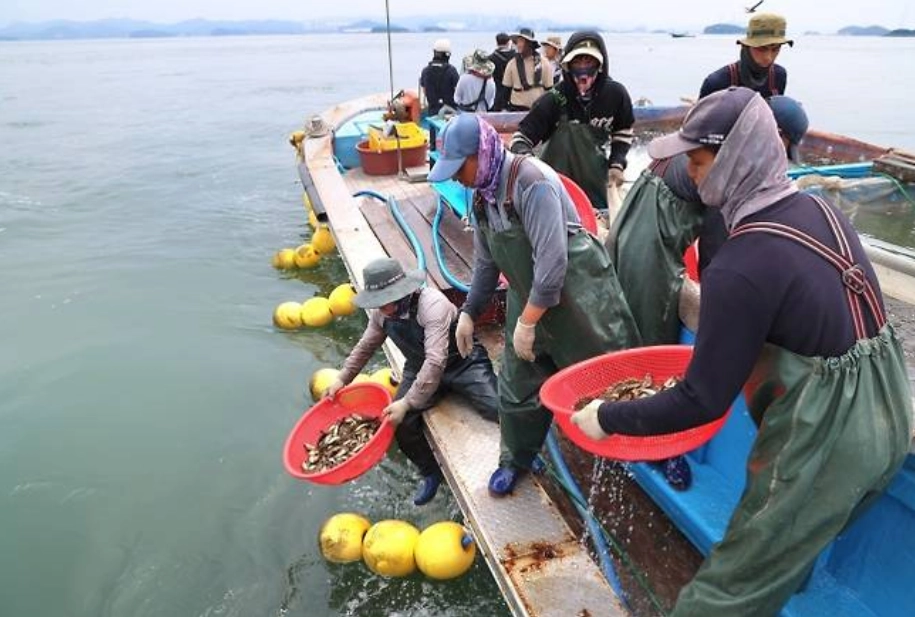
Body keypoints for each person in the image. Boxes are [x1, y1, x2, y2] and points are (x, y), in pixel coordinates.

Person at [572, 87, 912, 616]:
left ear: (735, 159)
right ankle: (778, 585)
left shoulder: (741, 264)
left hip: (829, 442)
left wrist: (606, 416)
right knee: (788, 547)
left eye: (699, 161)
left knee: (724, 593)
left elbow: (701, 400)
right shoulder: (820, 209)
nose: (692, 175)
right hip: (891, 414)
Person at [428, 113, 640, 496]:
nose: (456, 178)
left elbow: (553, 263)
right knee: (516, 385)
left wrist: (526, 323)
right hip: (527, 296)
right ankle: (515, 459)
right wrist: (469, 312)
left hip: (581, 294)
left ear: (481, 153)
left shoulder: (531, 181)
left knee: (615, 374)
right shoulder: (481, 195)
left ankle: (655, 446)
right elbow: (486, 264)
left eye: (459, 168)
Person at [607, 93, 810, 491]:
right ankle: (655, 446)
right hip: (649, 237)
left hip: (637, 218)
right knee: (651, 344)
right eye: (784, 143)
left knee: (632, 336)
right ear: (774, 133)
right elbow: (720, 250)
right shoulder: (729, 169)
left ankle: (629, 428)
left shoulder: (724, 153)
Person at [324, 257, 499, 506]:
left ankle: (519, 454)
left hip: (462, 363)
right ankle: (430, 472)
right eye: (377, 301)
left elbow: (436, 360)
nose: (381, 307)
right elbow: (365, 347)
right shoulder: (381, 314)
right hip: (418, 366)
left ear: (402, 291)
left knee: (497, 405)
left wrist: (407, 402)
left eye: (385, 300)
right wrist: (342, 378)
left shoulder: (432, 305)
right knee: (401, 423)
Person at [510, 31, 634, 211]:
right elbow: (520, 138)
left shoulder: (616, 95)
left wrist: (617, 164)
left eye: (589, 62)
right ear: (568, 65)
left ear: (600, 65)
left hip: (596, 189)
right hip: (555, 191)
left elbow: (623, 131)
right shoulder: (555, 98)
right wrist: (531, 167)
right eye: (577, 62)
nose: (583, 69)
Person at [699, 13, 792, 99]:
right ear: (747, 47)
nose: (768, 57)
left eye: (775, 49)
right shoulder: (717, 82)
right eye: (761, 49)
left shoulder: (778, 75)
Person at [501, 28, 554, 111]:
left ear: (530, 44)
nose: (518, 45)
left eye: (521, 42)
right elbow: (506, 90)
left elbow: (549, 89)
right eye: (517, 42)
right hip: (517, 107)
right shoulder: (512, 63)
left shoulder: (544, 63)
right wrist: (504, 108)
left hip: (538, 108)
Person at [420, 39, 459, 116]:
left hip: (432, 112)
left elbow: (425, 91)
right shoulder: (452, 71)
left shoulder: (425, 71)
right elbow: (458, 92)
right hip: (450, 114)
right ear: (447, 55)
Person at [488, 32, 516, 112]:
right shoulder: (516, 57)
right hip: (513, 92)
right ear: (508, 42)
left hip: (497, 91)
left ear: (497, 43)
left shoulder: (491, 58)